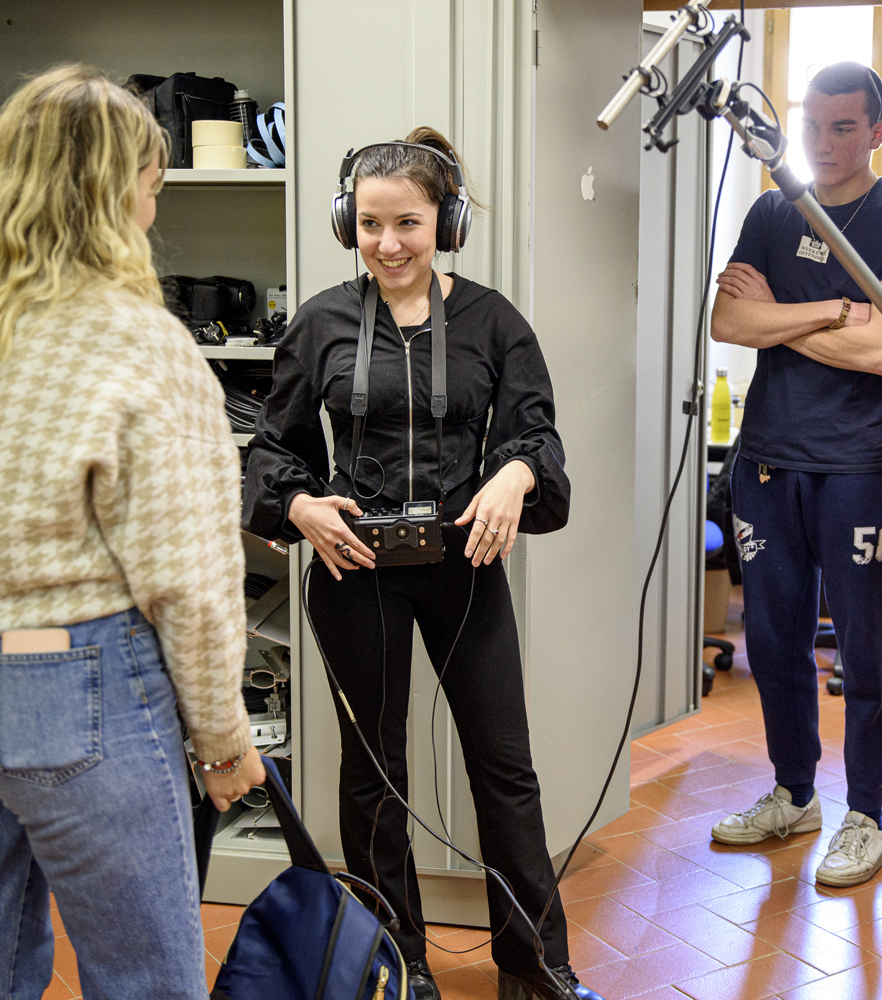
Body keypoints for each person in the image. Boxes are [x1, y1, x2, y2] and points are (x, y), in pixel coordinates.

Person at [0, 65, 262, 1000]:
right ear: (111, 189)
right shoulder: (137, 340)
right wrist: (221, 738)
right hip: (73, 687)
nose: (153, 211)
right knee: (144, 973)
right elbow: (193, 576)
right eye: (150, 186)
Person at [241, 128, 599, 1000]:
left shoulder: (493, 321)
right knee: (372, 778)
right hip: (351, 570)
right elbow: (271, 449)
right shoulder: (321, 322)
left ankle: (537, 969)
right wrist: (297, 505)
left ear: (448, 220)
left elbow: (537, 437)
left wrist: (515, 472)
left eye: (407, 222)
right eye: (368, 225)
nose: (389, 244)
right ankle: (393, 965)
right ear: (345, 224)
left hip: (462, 566)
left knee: (504, 771)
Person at [707, 61, 882, 886]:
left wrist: (780, 320)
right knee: (773, 639)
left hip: (858, 467)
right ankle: (793, 791)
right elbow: (726, 319)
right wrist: (835, 311)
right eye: (812, 125)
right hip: (768, 462)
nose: (823, 142)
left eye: (844, 127)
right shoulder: (774, 210)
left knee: (865, 656)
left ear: (877, 131)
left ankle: (867, 814)